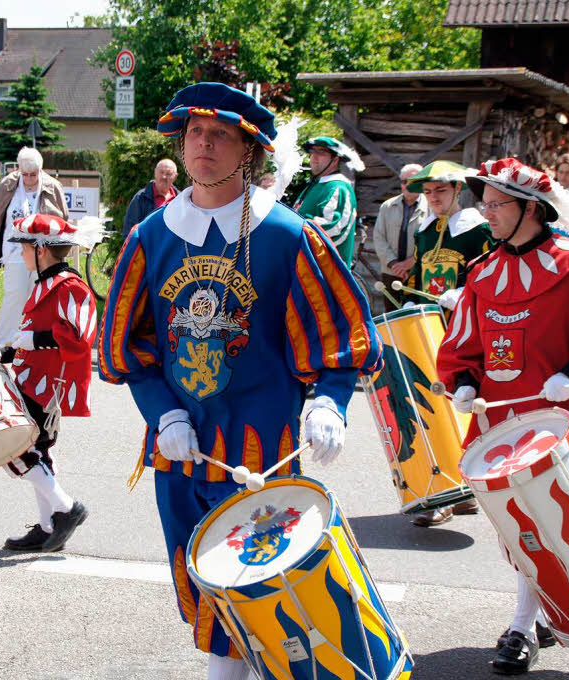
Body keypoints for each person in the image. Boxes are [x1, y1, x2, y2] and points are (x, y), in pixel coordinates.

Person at [98, 82, 382, 680]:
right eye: (195, 132)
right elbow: (129, 345)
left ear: (248, 149)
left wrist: (330, 404)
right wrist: (163, 414)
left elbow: (340, 338)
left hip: (262, 450)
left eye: (220, 134)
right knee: (203, 583)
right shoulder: (151, 236)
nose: (204, 144)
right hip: (180, 450)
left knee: (265, 593)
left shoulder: (286, 235)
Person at [437, 157, 569, 675]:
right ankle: (540, 613)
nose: (487, 215)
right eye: (483, 204)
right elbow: (462, 346)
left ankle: (522, 626)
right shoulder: (482, 272)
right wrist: (462, 383)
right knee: (520, 527)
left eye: (496, 204)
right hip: (502, 423)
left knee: (555, 521)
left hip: (561, 422)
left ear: (530, 207)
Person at [0, 214, 100, 552]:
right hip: (31, 380)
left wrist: (37, 340)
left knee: (16, 449)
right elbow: (29, 338)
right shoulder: (46, 283)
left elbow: (79, 338)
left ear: (42, 250)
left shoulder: (71, 287)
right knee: (36, 453)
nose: (20, 254)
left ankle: (66, 509)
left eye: (24, 247)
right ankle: (49, 526)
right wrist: (5, 352)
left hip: (48, 386)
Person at [404, 160, 494, 526]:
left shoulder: (477, 229)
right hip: (430, 327)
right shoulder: (424, 230)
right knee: (433, 406)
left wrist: (465, 293)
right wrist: (414, 297)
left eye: (440, 190)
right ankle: (445, 491)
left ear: (458, 190)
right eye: (427, 192)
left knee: (458, 407)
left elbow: (491, 270)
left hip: (464, 328)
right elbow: (418, 272)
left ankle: (462, 489)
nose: (433, 198)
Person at [0, 147, 69, 346]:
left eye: (34, 174)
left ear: (41, 170)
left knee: (39, 298)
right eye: (25, 174)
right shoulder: (7, 184)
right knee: (14, 296)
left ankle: (30, 343)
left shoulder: (52, 186)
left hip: (43, 253)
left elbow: (62, 218)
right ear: (18, 170)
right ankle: (4, 345)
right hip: (15, 252)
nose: (29, 179)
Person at [292, 136, 364, 264]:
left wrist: (295, 227)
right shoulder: (315, 184)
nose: (314, 157)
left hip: (326, 270)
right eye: (312, 152)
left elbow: (334, 228)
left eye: (321, 153)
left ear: (335, 160)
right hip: (305, 265)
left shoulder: (338, 187)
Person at [373, 163, 427, 312]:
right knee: (392, 314)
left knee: (417, 315)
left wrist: (410, 263)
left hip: (419, 273)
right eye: (404, 182)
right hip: (391, 272)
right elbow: (378, 237)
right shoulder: (387, 206)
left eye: (413, 181)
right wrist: (394, 264)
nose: (408, 185)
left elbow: (432, 242)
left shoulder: (431, 208)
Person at [123, 158, 179, 236]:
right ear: (155, 172)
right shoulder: (141, 198)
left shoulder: (180, 200)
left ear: (175, 176)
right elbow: (130, 231)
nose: (164, 177)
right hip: (148, 247)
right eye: (161, 172)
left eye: (169, 174)